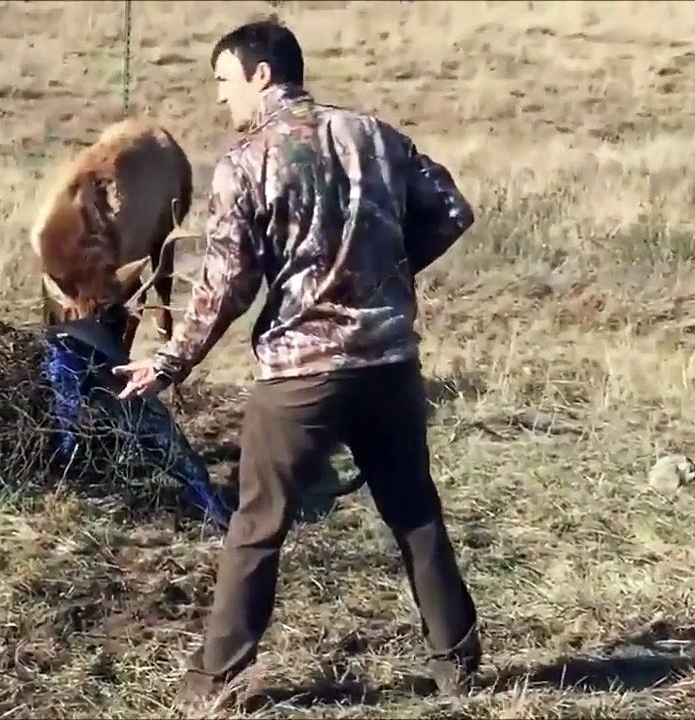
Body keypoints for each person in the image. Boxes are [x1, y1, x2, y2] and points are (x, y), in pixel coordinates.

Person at [112, 18, 483, 713]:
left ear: (261, 74)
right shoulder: (375, 135)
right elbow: (451, 209)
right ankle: (457, 667)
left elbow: (226, 285)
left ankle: (212, 683)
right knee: (414, 513)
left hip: (300, 375)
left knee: (257, 526)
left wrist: (169, 362)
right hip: (390, 363)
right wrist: (386, 272)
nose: (220, 97)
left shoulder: (246, 161)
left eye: (224, 80)